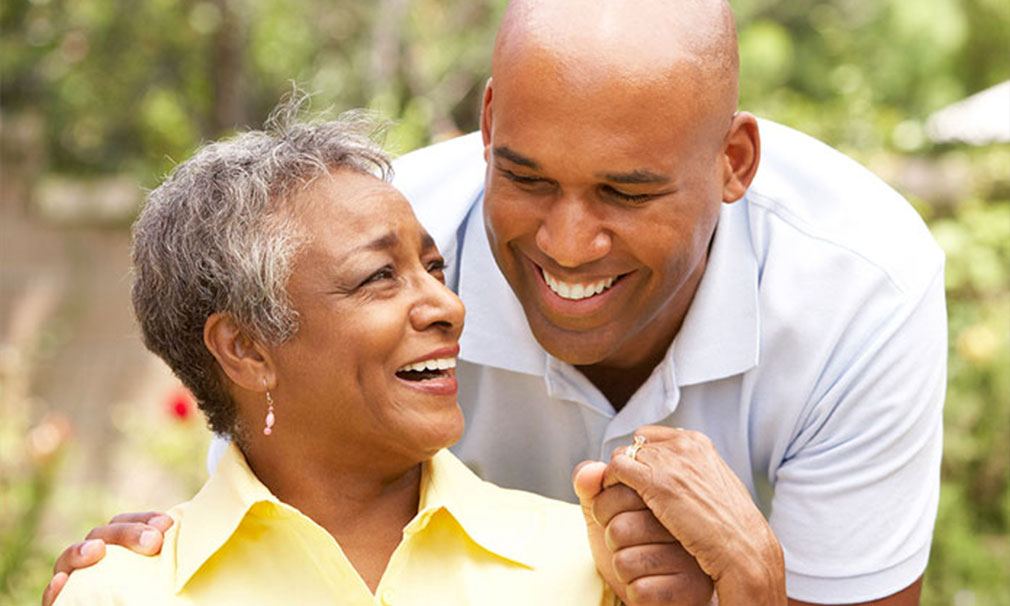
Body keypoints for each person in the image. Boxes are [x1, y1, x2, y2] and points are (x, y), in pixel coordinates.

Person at [46, 1, 946, 605]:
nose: (565, 241)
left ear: (734, 165)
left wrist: (751, 584)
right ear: (485, 124)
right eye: (524, 177)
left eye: (626, 194)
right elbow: (272, 459)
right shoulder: (384, 225)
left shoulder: (863, 286)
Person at [50, 102, 614, 605]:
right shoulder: (121, 592)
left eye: (434, 267)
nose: (448, 306)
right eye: (379, 277)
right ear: (245, 348)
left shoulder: (588, 569)